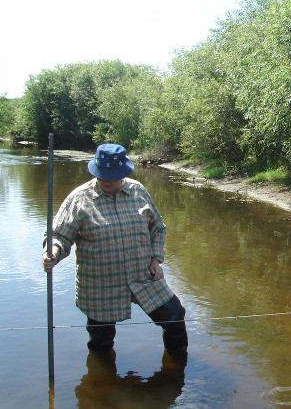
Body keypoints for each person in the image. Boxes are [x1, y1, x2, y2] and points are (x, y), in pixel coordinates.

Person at [42, 143, 188, 358]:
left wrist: (155, 259)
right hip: (101, 284)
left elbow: (157, 227)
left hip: (143, 276)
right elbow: (59, 235)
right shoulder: (79, 199)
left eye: (114, 179)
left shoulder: (138, 191)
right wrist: (52, 252)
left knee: (174, 316)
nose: (109, 183)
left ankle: (177, 369)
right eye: (104, 178)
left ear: (124, 173)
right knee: (101, 341)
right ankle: (101, 385)